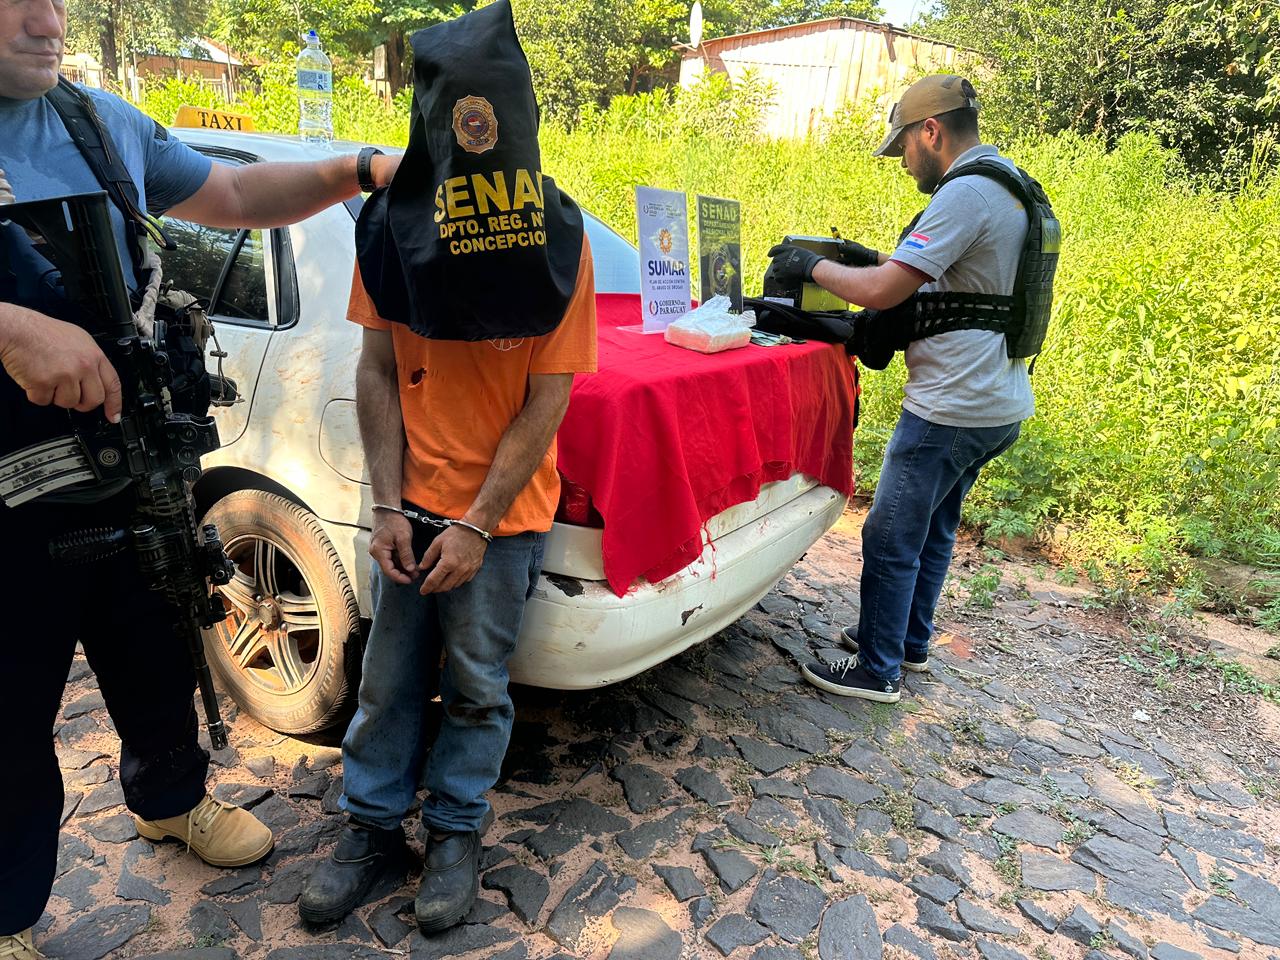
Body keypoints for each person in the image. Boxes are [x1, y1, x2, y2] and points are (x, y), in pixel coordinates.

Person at [0, 2, 399, 956]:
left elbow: (232, 195)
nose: (48, 18)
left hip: (135, 465)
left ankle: (170, 802)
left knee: (157, 652)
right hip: (7, 499)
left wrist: (357, 168)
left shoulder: (97, 122)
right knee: (9, 709)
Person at [296, 0, 598, 934]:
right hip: (406, 508)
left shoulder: (558, 238)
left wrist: (474, 522)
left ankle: (457, 832)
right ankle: (373, 828)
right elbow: (379, 367)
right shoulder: (391, 227)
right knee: (386, 681)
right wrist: (390, 506)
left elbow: (547, 399)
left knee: (477, 685)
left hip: (499, 522)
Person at [765, 75, 1035, 704]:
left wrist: (813, 267)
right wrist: (865, 258)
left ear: (931, 132)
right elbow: (946, 282)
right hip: (997, 399)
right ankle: (907, 642)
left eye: (904, 148)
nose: (903, 162)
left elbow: (886, 291)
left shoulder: (966, 193)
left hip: (951, 404)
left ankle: (876, 669)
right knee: (934, 526)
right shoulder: (1010, 184)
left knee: (888, 533)